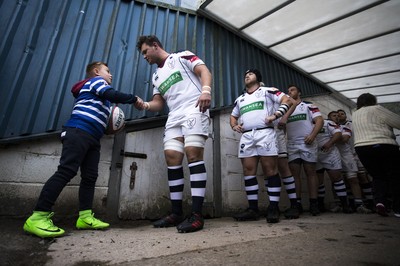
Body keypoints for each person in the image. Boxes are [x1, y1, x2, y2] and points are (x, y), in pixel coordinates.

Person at [23, 61, 143, 238]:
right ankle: (37, 217)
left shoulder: (100, 94)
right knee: (66, 171)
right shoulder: (95, 82)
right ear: (96, 71)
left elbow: (106, 108)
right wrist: (134, 99)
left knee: (90, 177)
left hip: (93, 138)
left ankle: (85, 217)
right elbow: (112, 93)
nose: (110, 75)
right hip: (79, 131)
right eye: (107, 71)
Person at [135, 35, 212, 233]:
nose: (144, 57)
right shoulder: (156, 76)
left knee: (193, 154)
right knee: (172, 158)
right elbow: (159, 103)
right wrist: (144, 104)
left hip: (194, 107)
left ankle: (196, 215)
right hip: (174, 115)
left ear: (155, 45)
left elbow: (204, 70)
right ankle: (176, 212)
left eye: (145, 52)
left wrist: (206, 91)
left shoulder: (182, 57)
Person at [230, 69, 293, 223]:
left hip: (265, 133)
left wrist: (276, 115)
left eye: (250, 73)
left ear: (258, 77)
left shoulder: (268, 91)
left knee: (270, 170)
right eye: (245, 74)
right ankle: (253, 209)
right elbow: (233, 116)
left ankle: (273, 207)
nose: (247, 75)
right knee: (248, 171)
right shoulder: (240, 99)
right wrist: (234, 126)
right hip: (247, 136)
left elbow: (288, 101)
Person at [352, 93, 400, 217]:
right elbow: (397, 122)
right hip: (383, 145)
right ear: (373, 100)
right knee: (394, 175)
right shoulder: (376, 109)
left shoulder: (355, 114)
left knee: (378, 176)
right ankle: (397, 207)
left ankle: (380, 202)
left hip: (362, 148)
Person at [286, 85, 324, 216]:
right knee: (294, 175)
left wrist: (313, 136)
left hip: (307, 143)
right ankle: (297, 204)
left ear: (299, 92)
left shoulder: (309, 105)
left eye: (292, 90)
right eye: (288, 91)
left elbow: (319, 121)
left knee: (310, 173)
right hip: (292, 144)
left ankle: (314, 203)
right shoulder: (287, 109)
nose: (290, 92)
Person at [335, 110, 372, 214]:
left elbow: (345, 139)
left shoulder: (350, 124)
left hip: (355, 153)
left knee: (362, 177)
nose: (339, 116)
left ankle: (368, 201)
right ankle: (349, 203)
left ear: (346, 116)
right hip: (341, 156)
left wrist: (333, 138)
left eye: (341, 114)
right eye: (337, 115)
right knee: (344, 179)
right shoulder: (334, 126)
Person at [316, 111, 351, 213]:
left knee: (337, 179)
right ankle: (320, 205)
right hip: (316, 156)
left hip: (330, 154)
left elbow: (338, 134)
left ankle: (345, 205)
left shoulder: (327, 123)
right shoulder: (308, 124)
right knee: (319, 182)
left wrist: (329, 143)